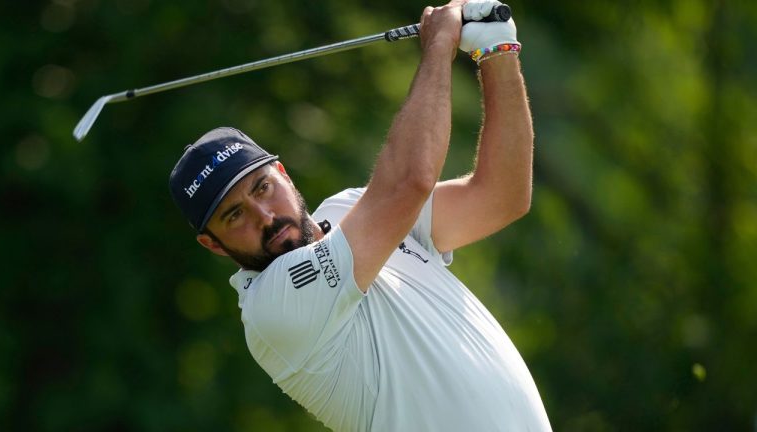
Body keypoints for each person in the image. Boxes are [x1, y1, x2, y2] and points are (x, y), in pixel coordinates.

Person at [169, 0, 551, 430]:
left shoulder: (348, 209)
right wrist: (439, 45)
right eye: (234, 215)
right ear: (213, 244)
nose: (264, 216)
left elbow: (501, 196)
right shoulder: (271, 308)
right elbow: (408, 183)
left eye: (262, 188)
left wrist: (497, 52)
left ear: (283, 174)